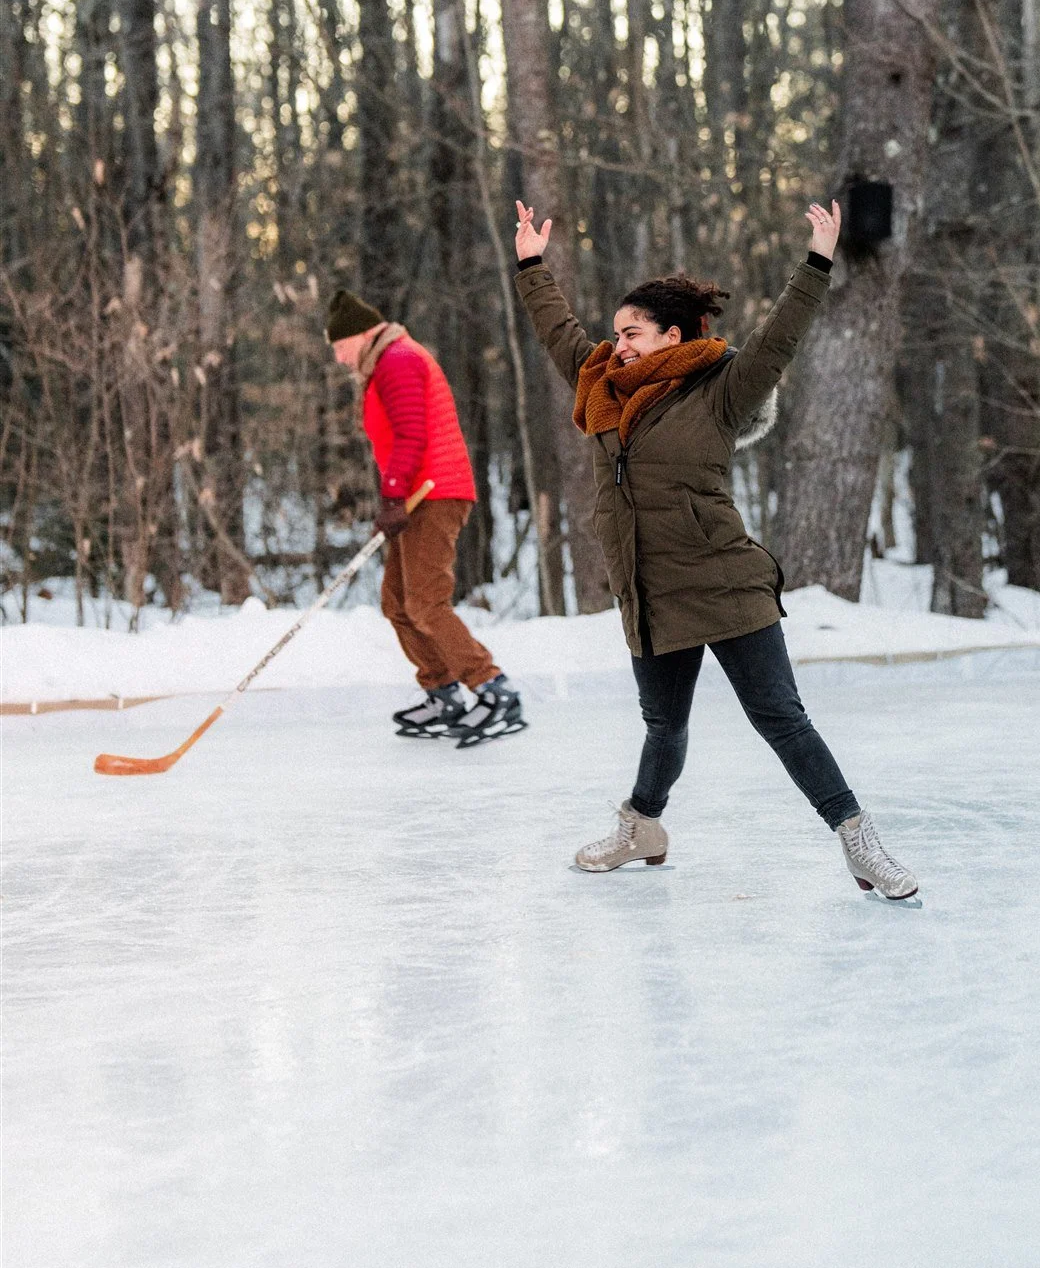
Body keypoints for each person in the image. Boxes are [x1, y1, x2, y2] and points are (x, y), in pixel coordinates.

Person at [512, 200, 917, 898]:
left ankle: (858, 839)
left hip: (724, 583)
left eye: (633, 333)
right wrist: (529, 265)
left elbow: (778, 339)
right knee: (662, 724)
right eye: (615, 334)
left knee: (780, 719)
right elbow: (558, 334)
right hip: (647, 588)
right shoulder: (604, 388)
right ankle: (642, 826)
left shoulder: (722, 392)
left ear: (672, 334)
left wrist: (818, 260)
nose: (619, 346)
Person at [324, 287, 525, 746]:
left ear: (360, 335)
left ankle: (493, 689)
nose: (338, 359)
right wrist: (393, 499)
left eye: (339, 347)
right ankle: (443, 692)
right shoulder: (387, 362)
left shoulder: (397, 360)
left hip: (434, 493)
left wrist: (393, 496)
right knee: (397, 602)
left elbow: (413, 435)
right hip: (417, 495)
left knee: (425, 601)